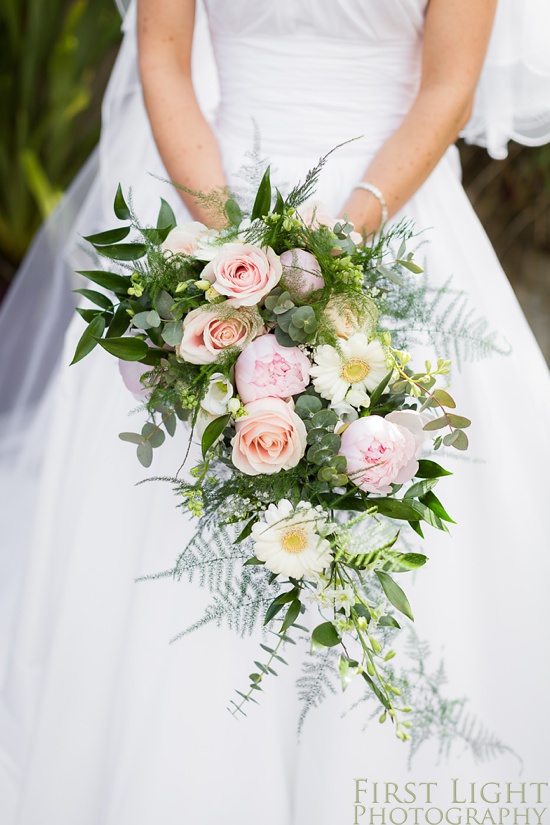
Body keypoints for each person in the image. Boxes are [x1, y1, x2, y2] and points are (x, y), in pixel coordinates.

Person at [1, 1, 550, 822]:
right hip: (215, 201)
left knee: (407, 536)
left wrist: (335, 250)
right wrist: (236, 252)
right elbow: (163, 58)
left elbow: (447, 91)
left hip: (391, 217)